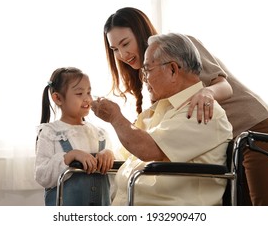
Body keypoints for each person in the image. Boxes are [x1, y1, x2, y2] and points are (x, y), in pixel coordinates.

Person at [102, 7, 268, 206]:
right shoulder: (152, 70)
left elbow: (224, 86)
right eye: (115, 49)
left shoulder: (181, 46)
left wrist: (207, 92)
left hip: (255, 125)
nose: (123, 54)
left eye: (125, 44)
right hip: (218, 138)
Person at [91, 33, 233, 205]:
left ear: (173, 69)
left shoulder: (201, 111)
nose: (144, 78)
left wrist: (115, 117)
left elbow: (147, 149)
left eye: (147, 70)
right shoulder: (161, 109)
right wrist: (108, 154)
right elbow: (125, 152)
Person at [34, 67, 115, 206]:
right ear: (58, 98)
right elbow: (42, 175)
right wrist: (70, 157)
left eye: (89, 92)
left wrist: (109, 154)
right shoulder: (50, 133)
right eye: (79, 93)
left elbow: (117, 177)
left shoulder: (100, 134)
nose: (88, 98)